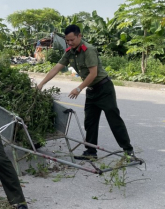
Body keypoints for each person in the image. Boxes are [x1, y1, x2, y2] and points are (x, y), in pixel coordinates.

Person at [37, 25, 136, 160]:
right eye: (67, 41)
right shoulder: (70, 52)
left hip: (104, 88)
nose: (70, 43)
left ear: (79, 36)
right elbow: (56, 68)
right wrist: (42, 83)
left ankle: (128, 150)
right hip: (91, 91)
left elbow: (93, 74)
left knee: (114, 120)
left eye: (72, 40)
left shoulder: (88, 50)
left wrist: (78, 89)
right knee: (90, 122)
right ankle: (91, 152)